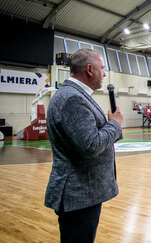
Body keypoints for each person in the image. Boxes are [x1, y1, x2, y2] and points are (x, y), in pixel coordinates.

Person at [45, 49, 123, 243]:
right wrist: (114, 123)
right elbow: (91, 145)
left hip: (83, 193)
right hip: (78, 194)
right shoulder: (73, 99)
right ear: (90, 69)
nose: (104, 74)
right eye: (102, 68)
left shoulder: (77, 95)